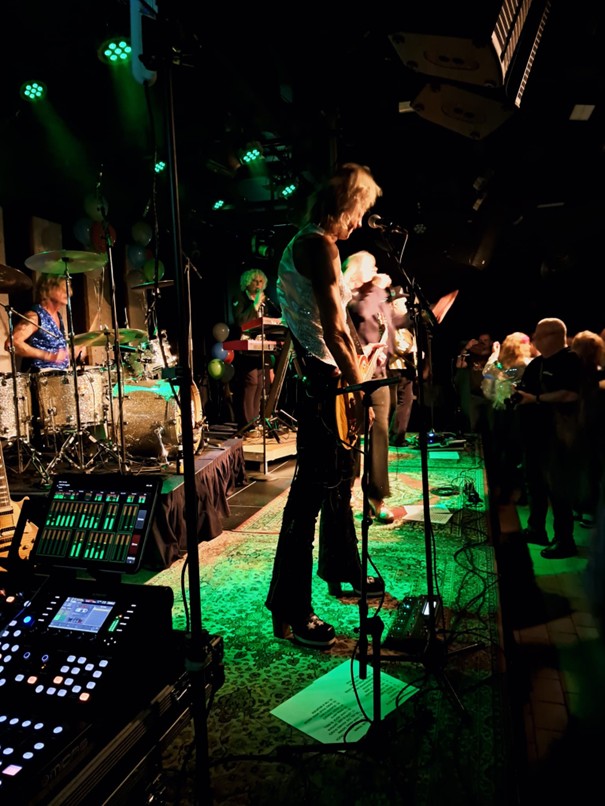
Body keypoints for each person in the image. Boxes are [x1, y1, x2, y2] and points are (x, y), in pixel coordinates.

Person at [265, 162, 384, 649]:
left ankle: (341, 567)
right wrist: (361, 390)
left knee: (339, 482)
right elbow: (334, 330)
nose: (359, 222)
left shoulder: (310, 243)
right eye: (359, 211)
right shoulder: (319, 245)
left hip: (323, 376)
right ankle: (290, 606)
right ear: (344, 205)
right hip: (324, 380)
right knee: (309, 495)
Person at [516, 317, 582, 559]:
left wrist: (536, 399)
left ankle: (565, 540)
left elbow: (570, 394)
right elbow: (523, 387)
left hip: (557, 437)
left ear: (553, 336)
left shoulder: (571, 360)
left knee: (558, 490)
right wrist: (513, 394)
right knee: (535, 484)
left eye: (538, 335)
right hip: (534, 434)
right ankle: (536, 529)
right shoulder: (536, 363)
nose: (534, 339)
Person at [342, 250, 398, 524]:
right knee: (350, 435)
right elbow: (359, 313)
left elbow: (389, 327)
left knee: (379, 435)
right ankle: (347, 488)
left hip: (378, 375)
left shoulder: (376, 295)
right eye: (371, 266)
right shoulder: (348, 297)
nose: (376, 270)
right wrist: (375, 288)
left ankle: (376, 496)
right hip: (352, 376)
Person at [480, 331, 533, 502]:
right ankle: (507, 490)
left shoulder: (522, 365)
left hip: (517, 411)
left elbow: (503, 374)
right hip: (508, 412)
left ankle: (513, 491)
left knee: (512, 452)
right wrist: (496, 356)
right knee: (506, 451)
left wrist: (495, 356)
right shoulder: (512, 365)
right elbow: (491, 374)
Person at [230, 268, 276, 434]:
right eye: (255, 281)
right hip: (246, 349)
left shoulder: (265, 302)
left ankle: (255, 422)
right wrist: (255, 304)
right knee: (251, 382)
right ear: (247, 283)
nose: (258, 285)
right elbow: (241, 322)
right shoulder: (240, 298)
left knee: (261, 384)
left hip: (260, 347)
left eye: (261, 281)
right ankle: (247, 424)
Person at [10, 273, 70, 370]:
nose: (69, 292)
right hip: (40, 375)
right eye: (62, 288)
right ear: (48, 290)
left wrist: (72, 352)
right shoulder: (35, 316)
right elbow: (12, 343)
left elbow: (56, 351)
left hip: (60, 375)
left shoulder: (58, 316)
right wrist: (48, 355)